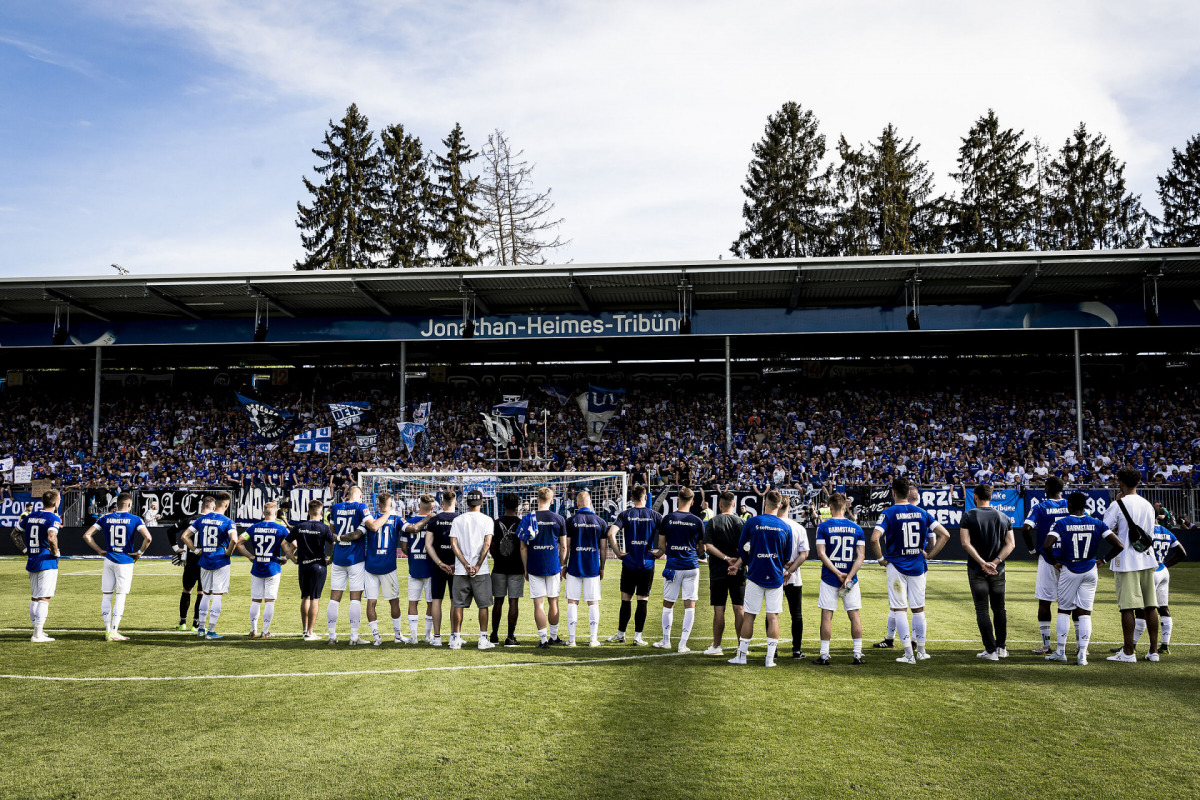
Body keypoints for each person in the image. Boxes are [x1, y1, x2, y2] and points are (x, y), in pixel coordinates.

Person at [870, 477, 951, 665]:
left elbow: (874, 539)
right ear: (908, 493)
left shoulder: (888, 513)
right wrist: (929, 555)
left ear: (893, 493)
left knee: (899, 609)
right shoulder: (922, 513)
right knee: (918, 609)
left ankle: (908, 654)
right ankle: (921, 651)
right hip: (918, 566)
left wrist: (881, 559)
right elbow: (945, 535)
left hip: (896, 566)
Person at [1043, 492, 1123, 666]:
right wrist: (1104, 560)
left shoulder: (1062, 523)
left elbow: (1047, 545)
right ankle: (1082, 655)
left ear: (1069, 505)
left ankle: (1061, 652)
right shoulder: (1097, 523)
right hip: (1090, 569)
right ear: (1085, 505)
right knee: (1085, 613)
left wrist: (1054, 562)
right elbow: (1119, 545)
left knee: (1064, 611)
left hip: (1070, 569)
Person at [1104, 467, 1164, 662]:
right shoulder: (1148, 505)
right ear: (1138, 483)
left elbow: (1105, 529)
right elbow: (1150, 533)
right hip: (1147, 558)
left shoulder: (1117, 504)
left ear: (1121, 482)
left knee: (1127, 608)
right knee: (1150, 606)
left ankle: (1128, 652)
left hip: (1126, 561)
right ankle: (1153, 651)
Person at [727, 490, 792, 667]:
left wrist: (750, 555)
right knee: (773, 617)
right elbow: (787, 557)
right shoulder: (785, 527)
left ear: (764, 503)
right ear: (780, 505)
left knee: (749, 616)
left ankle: (742, 656)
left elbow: (742, 549)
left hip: (755, 575)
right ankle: (769, 659)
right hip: (775, 576)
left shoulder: (753, 522)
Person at [81, 492, 153, 641]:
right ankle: (114, 631)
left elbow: (87, 535)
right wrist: (139, 553)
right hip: (124, 561)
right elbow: (148, 538)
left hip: (109, 559)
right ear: (129, 504)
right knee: (120, 595)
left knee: (107, 595)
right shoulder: (135, 519)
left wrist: (99, 550)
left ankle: (107, 630)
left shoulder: (105, 518)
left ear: (117, 504)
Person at [958, 485, 1016, 661]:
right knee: (999, 608)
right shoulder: (1003, 517)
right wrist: (995, 562)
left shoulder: (969, 515)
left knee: (982, 609)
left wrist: (982, 563)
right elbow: (1011, 544)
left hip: (977, 569)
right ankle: (1001, 648)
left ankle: (990, 651)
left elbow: (965, 543)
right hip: (998, 570)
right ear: (991, 497)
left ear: (975, 496)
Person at [812, 492, 866, 665]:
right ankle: (857, 654)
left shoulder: (823, 527)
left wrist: (837, 573)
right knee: (854, 615)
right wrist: (848, 577)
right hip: (850, 580)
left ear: (830, 507)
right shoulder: (856, 528)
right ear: (845, 507)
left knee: (826, 616)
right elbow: (861, 556)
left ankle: (824, 655)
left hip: (830, 577)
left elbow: (821, 554)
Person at [1115, 525, 1187, 654]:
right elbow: (1182, 553)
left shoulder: (1147, 529)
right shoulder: (1167, 532)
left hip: (1151, 571)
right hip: (1163, 571)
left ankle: (1132, 645)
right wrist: (1166, 564)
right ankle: (1165, 645)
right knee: (1163, 608)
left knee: (1142, 610)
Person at [605, 485, 661, 645]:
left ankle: (621, 634)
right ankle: (637, 637)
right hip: (647, 563)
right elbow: (668, 533)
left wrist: (618, 553)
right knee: (642, 600)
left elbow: (610, 534)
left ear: (631, 499)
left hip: (629, 562)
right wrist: (660, 551)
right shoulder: (655, 515)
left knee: (626, 600)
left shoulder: (625, 514)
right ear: (645, 497)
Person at [652, 486, 704, 653]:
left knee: (668, 604)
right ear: (692, 502)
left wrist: (665, 552)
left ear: (677, 500)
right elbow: (702, 548)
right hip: (691, 566)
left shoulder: (668, 519)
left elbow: (661, 546)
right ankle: (682, 644)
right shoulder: (697, 521)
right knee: (690, 605)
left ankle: (666, 641)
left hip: (673, 566)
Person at [181, 493, 239, 640]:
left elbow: (184, 536)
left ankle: (201, 629)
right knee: (217, 595)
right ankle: (211, 631)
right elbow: (234, 540)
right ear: (226, 505)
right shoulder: (228, 521)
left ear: (215, 504)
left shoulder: (201, 519)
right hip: (220, 561)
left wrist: (195, 550)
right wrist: (228, 552)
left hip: (205, 560)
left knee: (205, 594)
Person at [1021, 476, 1069, 654]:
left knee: (1045, 601)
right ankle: (1081, 647)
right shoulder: (1071, 505)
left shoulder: (1039, 507)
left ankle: (1046, 645)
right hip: (1069, 559)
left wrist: (1032, 550)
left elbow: (1026, 528)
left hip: (1048, 558)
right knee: (1074, 604)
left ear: (1047, 488)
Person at [235, 501, 293, 639]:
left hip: (257, 566)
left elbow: (239, 542)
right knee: (269, 601)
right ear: (276, 513)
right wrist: (286, 557)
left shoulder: (254, 527)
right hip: (273, 567)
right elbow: (295, 544)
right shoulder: (281, 528)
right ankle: (265, 631)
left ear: (263, 513)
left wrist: (250, 556)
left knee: (256, 600)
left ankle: (253, 630)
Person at [519, 486, 568, 648]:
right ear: (551, 501)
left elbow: (523, 547)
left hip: (535, 565)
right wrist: (562, 565)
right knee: (553, 602)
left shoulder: (528, 518)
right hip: (553, 565)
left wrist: (525, 568)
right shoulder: (559, 519)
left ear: (537, 499)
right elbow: (564, 547)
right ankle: (553, 637)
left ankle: (543, 640)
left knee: (538, 604)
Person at [326, 485, 375, 645]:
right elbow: (372, 526)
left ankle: (332, 636)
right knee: (355, 598)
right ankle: (354, 637)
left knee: (334, 598)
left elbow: (332, 533)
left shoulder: (335, 507)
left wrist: (335, 550)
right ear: (360, 496)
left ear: (347, 494)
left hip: (339, 557)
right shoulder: (361, 507)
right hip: (355, 558)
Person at [448, 489, 495, 650]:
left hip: (462, 570)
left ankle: (456, 638)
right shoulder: (487, 520)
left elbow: (453, 544)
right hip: (481, 570)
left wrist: (465, 564)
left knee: (458, 604)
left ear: (467, 502)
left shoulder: (458, 520)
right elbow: (487, 544)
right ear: (481, 502)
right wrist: (477, 565)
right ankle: (483, 638)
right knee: (483, 605)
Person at [13, 490, 62, 643]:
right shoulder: (53, 518)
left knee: (35, 598)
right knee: (44, 598)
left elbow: (14, 534)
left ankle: (37, 630)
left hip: (32, 559)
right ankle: (37, 635)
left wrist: (25, 550)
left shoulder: (30, 516)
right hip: (46, 560)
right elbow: (52, 537)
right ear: (55, 503)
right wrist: (55, 552)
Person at [702, 490, 746, 656]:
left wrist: (726, 558)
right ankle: (741, 647)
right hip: (738, 570)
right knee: (739, 608)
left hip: (718, 571)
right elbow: (748, 547)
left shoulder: (713, 522)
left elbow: (708, 546)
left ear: (720, 505)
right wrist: (737, 562)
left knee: (719, 609)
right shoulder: (742, 522)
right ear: (733, 504)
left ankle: (716, 646)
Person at [286, 499, 336, 641]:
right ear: (321, 512)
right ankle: (310, 632)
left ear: (308, 512)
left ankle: (304, 630)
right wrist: (330, 559)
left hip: (303, 565)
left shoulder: (299, 526)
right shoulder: (324, 528)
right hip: (318, 566)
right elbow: (335, 543)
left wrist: (292, 558)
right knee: (315, 598)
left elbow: (284, 542)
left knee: (305, 597)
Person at [361, 492, 404, 646]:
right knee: (394, 601)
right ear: (390, 504)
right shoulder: (396, 518)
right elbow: (410, 529)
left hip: (371, 566)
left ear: (378, 503)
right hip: (388, 567)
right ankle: (397, 635)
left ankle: (376, 637)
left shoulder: (370, 518)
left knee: (371, 602)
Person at [563, 490, 605, 647]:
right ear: (590, 502)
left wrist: (564, 565)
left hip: (574, 566)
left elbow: (566, 547)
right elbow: (603, 548)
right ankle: (593, 639)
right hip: (593, 567)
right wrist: (602, 567)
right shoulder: (600, 521)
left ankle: (571, 640)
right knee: (593, 602)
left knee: (572, 602)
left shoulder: (570, 521)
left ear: (577, 503)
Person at [423, 490, 461, 646]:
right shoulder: (459, 519)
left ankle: (437, 638)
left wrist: (439, 563)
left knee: (436, 600)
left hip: (438, 565)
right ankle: (453, 636)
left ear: (442, 503)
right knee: (454, 601)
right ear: (456, 503)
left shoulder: (434, 519)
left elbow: (428, 544)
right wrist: (456, 563)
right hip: (456, 565)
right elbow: (463, 544)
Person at [399, 494, 437, 644]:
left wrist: (413, 556)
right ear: (432, 507)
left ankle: (414, 637)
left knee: (413, 602)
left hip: (414, 567)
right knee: (430, 603)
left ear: (418, 506)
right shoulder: (434, 522)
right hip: (430, 568)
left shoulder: (409, 522)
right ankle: (428, 635)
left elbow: (403, 547)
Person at [489, 494, 525, 646]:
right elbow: (524, 546)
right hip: (517, 567)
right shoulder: (521, 523)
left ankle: (494, 635)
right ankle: (510, 637)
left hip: (499, 567)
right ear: (517, 506)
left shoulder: (496, 523)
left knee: (498, 601)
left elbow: (490, 545)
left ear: (503, 505)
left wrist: (496, 557)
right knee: (513, 601)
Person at [778, 495, 809, 660]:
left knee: (772, 613)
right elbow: (804, 554)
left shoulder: (770, 526)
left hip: (775, 575)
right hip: (793, 576)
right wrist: (790, 571)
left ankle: (772, 650)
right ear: (789, 508)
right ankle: (796, 651)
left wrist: (782, 568)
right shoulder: (798, 527)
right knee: (796, 613)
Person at [167, 516, 203, 631]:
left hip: (190, 561)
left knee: (186, 591)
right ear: (213, 507)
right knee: (201, 592)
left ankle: (182, 623)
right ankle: (196, 625)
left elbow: (170, 530)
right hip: (205, 560)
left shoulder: (189, 520)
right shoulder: (212, 520)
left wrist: (176, 549)